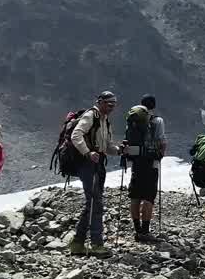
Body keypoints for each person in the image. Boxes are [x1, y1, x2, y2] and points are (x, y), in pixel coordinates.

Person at [68, 91, 121, 257]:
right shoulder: (91, 116)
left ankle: (77, 243)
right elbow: (76, 135)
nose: (111, 107)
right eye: (108, 104)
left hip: (97, 164)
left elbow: (106, 146)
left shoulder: (105, 121)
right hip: (87, 164)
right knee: (96, 202)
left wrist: (119, 150)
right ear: (100, 102)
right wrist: (88, 152)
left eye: (114, 104)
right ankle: (97, 245)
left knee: (92, 203)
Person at [127, 95, 167, 242]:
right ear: (154, 106)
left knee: (135, 196)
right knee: (148, 197)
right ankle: (145, 231)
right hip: (151, 162)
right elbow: (162, 140)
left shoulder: (134, 118)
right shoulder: (157, 120)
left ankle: (137, 230)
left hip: (136, 161)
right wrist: (160, 155)